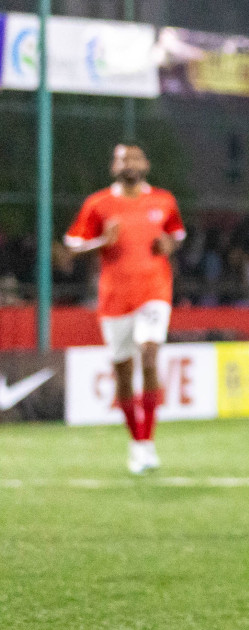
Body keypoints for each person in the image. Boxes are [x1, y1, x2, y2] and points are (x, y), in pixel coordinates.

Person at [62, 144, 185, 474]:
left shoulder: (164, 200)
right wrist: (102, 242)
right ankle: (137, 442)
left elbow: (176, 233)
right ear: (113, 166)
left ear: (146, 163)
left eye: (135, 158)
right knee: (123, 372)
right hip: (115, 300)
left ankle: (147, 442)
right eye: (122, 159)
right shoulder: (98, 204)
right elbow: (72, 245)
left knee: (148, 354)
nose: (129, 163)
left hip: (154, 292)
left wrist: (169, 244)